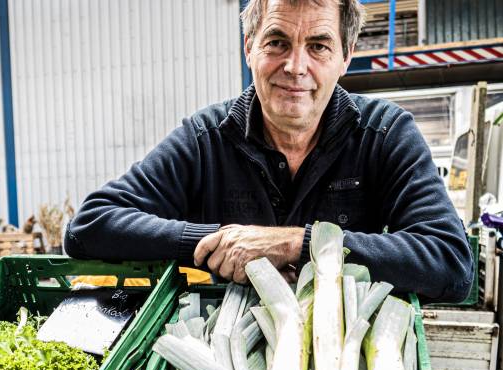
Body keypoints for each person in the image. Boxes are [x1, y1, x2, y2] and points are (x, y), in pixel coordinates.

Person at [64, 0, 473, 303]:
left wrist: (298, 243)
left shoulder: (383, 134)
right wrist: (219, 241)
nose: (295, 66)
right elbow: (89, 227)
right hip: (220, 350)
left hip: (342, 357)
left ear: (346, 57)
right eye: (277, 42)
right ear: (249, 49)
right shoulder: (206, 139)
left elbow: (450, 262)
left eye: (318, 46)